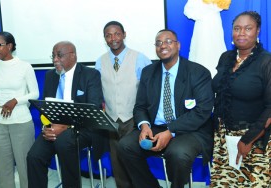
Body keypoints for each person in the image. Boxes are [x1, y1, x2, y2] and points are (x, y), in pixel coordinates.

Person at [117, 29, 214, 188]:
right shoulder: (148, 72)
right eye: (159, 42)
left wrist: (171, 131)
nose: (163, 45)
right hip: (156, 127)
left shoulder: (198, 72)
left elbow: (202, 111)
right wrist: (144, 126)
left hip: (191, 130)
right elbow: (140, 106)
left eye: (168, 41)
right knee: (125, 145)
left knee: (177, 153)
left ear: (178, 45)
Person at [27, 41, 108, 188]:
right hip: (55, 128)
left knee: (64, 143)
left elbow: (93, 109)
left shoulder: (90, 74)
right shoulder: (50, 75)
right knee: (34, 156)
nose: (55, 60)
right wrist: (48, 127)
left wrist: (67, 126)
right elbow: (45, 107)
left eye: (59, 56)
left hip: (84, 129)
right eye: (53, 56)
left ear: (73, 55)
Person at [210, 11, 271, 187]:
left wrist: (247, 140)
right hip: (223, 139)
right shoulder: (226, 57)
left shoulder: (266, 62)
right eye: (237, 28)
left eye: (248, 28)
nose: (241, 33)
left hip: (253, 140)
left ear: (258, 30)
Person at [0, 31, 39, 188]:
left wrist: (15, 100)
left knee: (25, 166)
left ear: (9, 46)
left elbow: (35, 94)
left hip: (21, 122)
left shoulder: (24, 66)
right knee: (2, 168)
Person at [95, 21, 152, 188]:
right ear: (105, 38)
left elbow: (149, 89)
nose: (113, 38)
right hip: (112, 119)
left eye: (117, 34)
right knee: (116, 160)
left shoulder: (140, 58)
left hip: (133, 118)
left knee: (134, 159)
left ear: (124, 34)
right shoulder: (100, 61)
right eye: (108, 35)